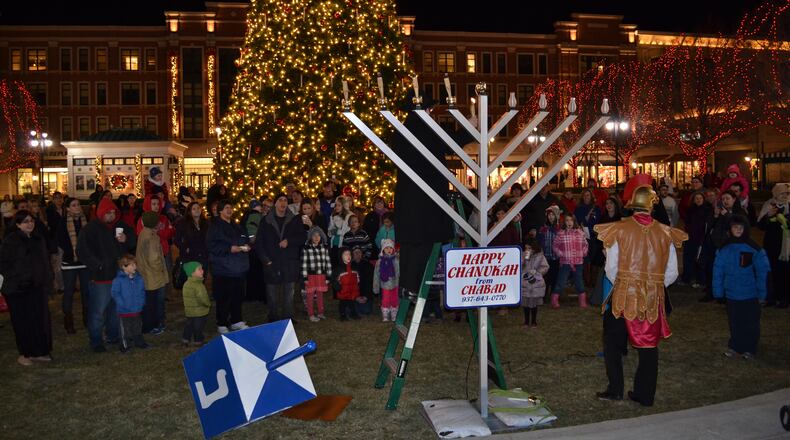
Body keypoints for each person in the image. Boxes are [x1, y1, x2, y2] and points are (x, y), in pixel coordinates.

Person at [594, 174, 688, 406]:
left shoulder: (619, 229)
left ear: (631, 204)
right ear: (652, 205)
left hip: (623, 295)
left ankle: (615, 389)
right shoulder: (666, 233)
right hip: (651, 297)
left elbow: (611, 268)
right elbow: (673, 272)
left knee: (613, 344)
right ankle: (644, 394)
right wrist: (654, 284)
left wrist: (627, 282)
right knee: (648, 347)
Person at [76, 197, 137, 353]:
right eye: (108, 212)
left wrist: (126, 239)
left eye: (113, 212)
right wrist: (99, 265)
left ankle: (113, 335)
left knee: (115, 309)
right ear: (101, 213)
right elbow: (83, 251)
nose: (111, 215)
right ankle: (96, 341)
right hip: (101, 278)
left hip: (118, 276)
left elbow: (133, 239)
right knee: (98, 311)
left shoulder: (120, 226)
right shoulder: (90, 229)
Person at [0, 210, 54, 366]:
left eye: (31, 220)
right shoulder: (11, 241)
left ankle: (40, 351)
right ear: (17, 224)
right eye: (25, 221)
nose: (29, 224)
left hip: (37, 287)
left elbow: (45, 262)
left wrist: (48, 280)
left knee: (39, 320)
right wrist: (18, 276)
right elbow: (4, 264)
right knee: (22, 322)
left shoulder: (38, 238)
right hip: (18, 289)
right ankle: (24, 353)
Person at [713, 215, 770, 360]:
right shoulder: (724, 249)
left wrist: (762, 294)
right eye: (734, 227)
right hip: (732, 294)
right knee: (734, 322)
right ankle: (735, 347)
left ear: (745, 229)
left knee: (751, 323)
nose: (738, 230)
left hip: (750, 294)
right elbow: (718, 272)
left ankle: (750, 348)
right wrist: (718, 292)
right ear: (730, 229)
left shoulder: (754, 249)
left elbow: (763, 273)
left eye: (740, 227)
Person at [254, 194, 306, 323]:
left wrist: (289, 241)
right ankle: (273, 317)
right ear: (275, 204)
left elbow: (302, 237)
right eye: (280, 200)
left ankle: (288, 317)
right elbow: (259, 242)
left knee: (289, 292)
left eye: (285, 200)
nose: (283, 203)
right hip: (272, 261)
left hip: (289, 261)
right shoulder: (266, 221)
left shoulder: (294, 220)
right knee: (272, 292)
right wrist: (266, 260)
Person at [207, 201, 250, 333]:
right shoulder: (214, 227)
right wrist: (229, 248)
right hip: (223, 269)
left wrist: (246, 245)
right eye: (226, 207)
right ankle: (222, 322)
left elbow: (245, 237)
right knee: (223, 297)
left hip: (238, 268)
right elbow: (211, 245)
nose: (229, 210)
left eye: (231, 207)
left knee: (238, 296)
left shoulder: (236, 226)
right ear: (220, 211)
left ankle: (236, 320)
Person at [55, 197, 91, 333]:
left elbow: (89, 238)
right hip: (70, 261)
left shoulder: (85, 220)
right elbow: (61, 240)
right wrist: (73, 252)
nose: (77, 207)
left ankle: (87, 318)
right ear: (68, 208)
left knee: (86, 292)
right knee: (69, 291)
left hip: (84, 262)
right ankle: (68, 320)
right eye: (74, 205)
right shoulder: (63, 222)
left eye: (78, 205)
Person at [757, 183, 790, 308]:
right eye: (782, 193)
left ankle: (785, 297)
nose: (785, 196)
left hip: (786, 245)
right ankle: (772, 296)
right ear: (776, 194)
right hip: (772, 244)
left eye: (787, 193)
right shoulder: (769, 205)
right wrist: (768, 216)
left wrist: (786, 221)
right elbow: (760, 225)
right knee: (772, 270)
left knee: (785, 271)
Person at [136, 211, 169, 335]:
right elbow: (154, 258)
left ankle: (148, 325)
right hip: (153, 276)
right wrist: (160, 270)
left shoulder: (143, 233)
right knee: (153, 302)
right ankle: (152, 325)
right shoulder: (151, 237)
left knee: (148, 301)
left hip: (146, 273)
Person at [110, 254, 148, 353]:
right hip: (124, 311)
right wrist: (122, 304)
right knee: (125, 330)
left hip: (137, 309)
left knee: (137, 327)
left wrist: (141, 302)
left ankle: (139, 341)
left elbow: (142, 291)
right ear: (124, 267)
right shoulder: (118, 280)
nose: (135, 266)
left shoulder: (139, 279)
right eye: (132, 265)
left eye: (135, 264)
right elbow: (115, 293)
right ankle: (124, 345)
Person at [551, 213, 589, 308]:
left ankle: (582, 300)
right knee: (561, 281)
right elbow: (555, 246)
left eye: (571, 220)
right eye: (567, 220)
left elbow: (585, 245)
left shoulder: (580, 233)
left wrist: (583, 253)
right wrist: (561, 254)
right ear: (564, 222)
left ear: (574, 222)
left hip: (578, 262)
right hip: (566, 262)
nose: (569, 222)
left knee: (579, 281)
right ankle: (554, 300)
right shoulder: (561, 234)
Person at [301, 227, 332, 322]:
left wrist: (328, 275)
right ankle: (311, 314)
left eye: (318, 235)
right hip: (310, 276)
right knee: (310, 296)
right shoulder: (306, 248)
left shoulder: (324, 248)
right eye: (314, 235)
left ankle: (320, 312)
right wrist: (305, 277)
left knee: (320, 295)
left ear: (321, 237)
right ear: (310, 237)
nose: (316, 237)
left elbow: (328, 262)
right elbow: (304, 263)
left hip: (321, 276)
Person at [681, 192, 710, 288]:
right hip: (690, 237)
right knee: (688, 258)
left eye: (700, 198)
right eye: (696, 198)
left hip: (701, 238)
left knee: (699, 259)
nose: (698, 200)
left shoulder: (707, 210)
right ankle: (686, 278)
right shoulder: (690, 210)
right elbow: (687, 222)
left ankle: (701, 280)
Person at [521, 238, 549, 329]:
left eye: (529, 248)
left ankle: (533, 321)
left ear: (534, 248)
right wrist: (524, 260)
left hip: (536, 283)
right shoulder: (522, 255)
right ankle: (526, 321)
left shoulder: (540, 256)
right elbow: (519, 267)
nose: (527, 250)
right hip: (525, 283)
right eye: (526, 248)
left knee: (534, 304)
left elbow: (545, 267)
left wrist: (538, 272)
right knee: (525, 304)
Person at [574, 189, 600, 287]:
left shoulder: (596, 208)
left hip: (593, 236)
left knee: (593, 259)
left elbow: (598, 221)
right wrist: (585, 220)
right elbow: (578, 222)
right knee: (585, 259)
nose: (586, 197)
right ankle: (586, 280)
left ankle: (593, 280)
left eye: (588, 195)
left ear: (591, 197)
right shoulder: (579, 208)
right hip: (583, 236)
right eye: (584, 195)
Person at [181, 261, 211, 346]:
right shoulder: (198, 285)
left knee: (189, 325)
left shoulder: (186, 284)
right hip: (200, 311)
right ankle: (198, 340)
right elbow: (203, 299)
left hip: (189, 311)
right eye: (199, 269)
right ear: (192, 273)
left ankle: (185, 339)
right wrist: (208, 304)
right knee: (198, 326)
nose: (202, 271)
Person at [175, 202, 209, 267]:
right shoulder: (183, 223)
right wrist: (185, 249)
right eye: (194, 209)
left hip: (204, 256)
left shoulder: (206, 223)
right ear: (189, 211)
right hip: (190, 257)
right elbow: (177, 240)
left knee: (203, 275)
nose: (197, 210)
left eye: (198, 208)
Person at [537, 205, 561, 298]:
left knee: (554, 276)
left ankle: (553, 295)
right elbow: (540, 241)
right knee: (545, 277)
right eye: (549, 215)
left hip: (555, 257)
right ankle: (543, 294)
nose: (551, 217)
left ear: (556, 216)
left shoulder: (559, 228)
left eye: (553, 215)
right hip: (545, 256)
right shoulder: (543, 228)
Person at [373, 239, 399, 322]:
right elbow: (376, 275)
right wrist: (376, 287)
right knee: (386, 299)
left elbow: (399, 272)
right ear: (383, 249)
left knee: (394, 299)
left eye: (391, 248)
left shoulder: (396, 260)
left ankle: (394, 313)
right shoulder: (380, 262)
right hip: (385, 283)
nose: (389, 250)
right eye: (386, 248)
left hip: (395, 283)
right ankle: (385, 314)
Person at [333, 248, 360, 321]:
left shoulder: (354, 267)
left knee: (352, 303)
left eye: (349, 254)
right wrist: (338, 288)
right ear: (341, 257)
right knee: (343, 303)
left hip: (352, 290)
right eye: (345, 254)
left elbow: (357, 277)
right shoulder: (339, 269)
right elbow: (335, 280)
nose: (348, 256)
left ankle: (353, 313)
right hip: (343, 291)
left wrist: (357, 285)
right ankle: (343, 315)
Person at [352, 246, 374, 317]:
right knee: (350, 310)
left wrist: (366, 297)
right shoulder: (349, 267)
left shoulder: (368, 265)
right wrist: (356, 297)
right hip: (354, 296)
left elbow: (371, 282)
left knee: (366, 310)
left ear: (362, 254)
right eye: (355, 253)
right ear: (352, 255)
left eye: (359, 252)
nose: (357, 254)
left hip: (365, 295)